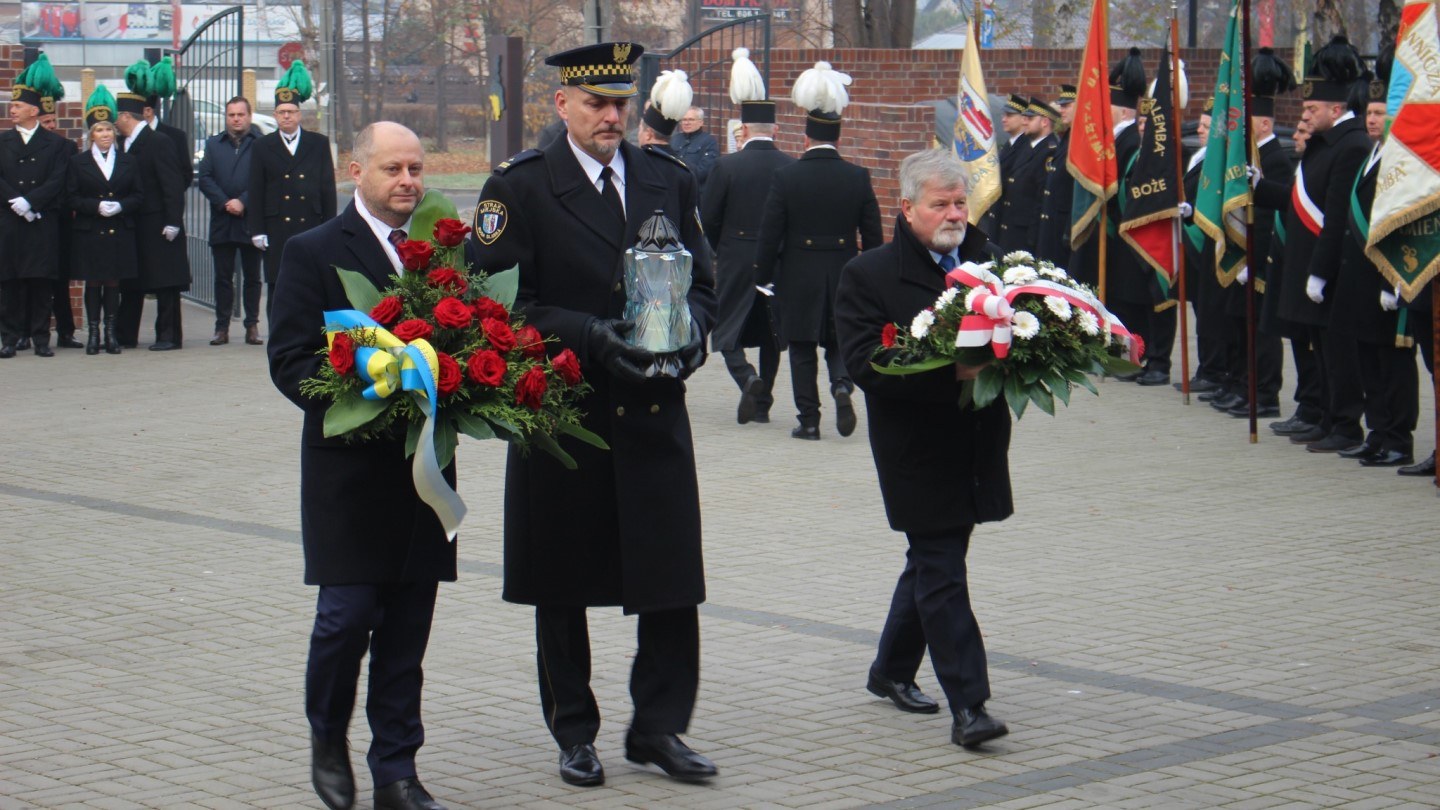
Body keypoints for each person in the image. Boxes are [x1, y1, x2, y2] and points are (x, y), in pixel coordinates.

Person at [468, 41, 719, 789]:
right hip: (565, 412)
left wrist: (695, 336)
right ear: (563, 106)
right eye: (598, 103)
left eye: (622, 102)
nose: (613, 116)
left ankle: (659, 728)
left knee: (671, 578)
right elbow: (498, 305)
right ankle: (574, 731)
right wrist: (587, 336)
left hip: (651, 405)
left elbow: (703, 279)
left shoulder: (665, 177)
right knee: (562, 581)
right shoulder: (516, 188)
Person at [268, 122, 452, 810]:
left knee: (407, 631)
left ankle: (397, 773)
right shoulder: (312, 250)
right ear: (356, 171)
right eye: (392, 169)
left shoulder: (439, 255)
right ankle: (327, 733)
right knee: (346, 619)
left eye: (416, 167)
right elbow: (289, 360)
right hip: (347, 476)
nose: (407, 181)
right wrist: (371, 380)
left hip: (421, 477)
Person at [834, 148, 1011, 750]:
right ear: (908, 209)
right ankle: (971, 705)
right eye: (940, 204)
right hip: (916, 446)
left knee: (934, 557)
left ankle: (889, 670)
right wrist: (951, 374)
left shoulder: (991, 261)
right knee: (941, 567)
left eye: (960, 202)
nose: (954, 214)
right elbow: (866, 363)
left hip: (978, 438)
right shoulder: (869, 274)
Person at [754, 61, 883, 440]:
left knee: (802, 346)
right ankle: (842, 386)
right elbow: (873, 235)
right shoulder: (858, 177)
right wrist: (872, 276)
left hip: (798, 274)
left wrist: (761, 276)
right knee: (838, 339)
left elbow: (769, 232)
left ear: (806, 138)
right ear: (837, 137)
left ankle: (809, 420)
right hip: (844, 269)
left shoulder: (786, 176)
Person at [1271, 36, 1371, 452]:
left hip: (1333, 271)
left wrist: (1318, 271)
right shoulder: (1325, 144)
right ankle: (1327, 417)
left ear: (1335, 108)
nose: (1305, 115)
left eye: (1312, 109)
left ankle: (1345, 424)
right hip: (1308, 263)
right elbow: (1301, 205)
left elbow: (1335, 219)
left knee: (1339, 354)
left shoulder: (1349, 146)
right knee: (1320, 352)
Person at [701, 47, 791, 424]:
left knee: (726, 326)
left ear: (744, 131)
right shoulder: (791, 167)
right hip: (779, 256)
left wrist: (725, 243)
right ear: (775, 130)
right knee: (772, 330)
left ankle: (747, 378)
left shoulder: (726, 165)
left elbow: (708, 217)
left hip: (736, 252)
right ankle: (764, 399)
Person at [249, 59, 338, 320]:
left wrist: (330, 227)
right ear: (275, 115)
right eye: (281, 112)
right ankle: (277, 329)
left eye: (291, 111)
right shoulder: (262, 146)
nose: (286, 116)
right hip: (277, 226)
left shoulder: (317, 144)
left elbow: (327, 189)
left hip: (310, 221)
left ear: (300, 114)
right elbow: (255, 190)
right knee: (277, 282)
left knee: (312, 280)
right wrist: (257, 230)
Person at [113, 61, 189, 351]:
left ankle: (168, 336)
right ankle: (125, 334)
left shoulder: (158, 141)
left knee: (165, 282)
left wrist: (173, 220)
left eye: (117, 116)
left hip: (158, 222)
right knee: (133, 282)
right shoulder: (125, 143)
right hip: (135, 223)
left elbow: (172, 183)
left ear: (126, 116)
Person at [0, 55, 73, 358]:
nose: (11, 110)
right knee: (10, 282)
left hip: (41, 220)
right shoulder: (2, 141)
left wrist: (32, 202)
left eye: (17, 106)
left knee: (42, 282)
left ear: (33, 110)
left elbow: (58, 180)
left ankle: (41, 337)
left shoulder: (55, 144)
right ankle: (10, 337)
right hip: (10, 221)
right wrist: (14, 201)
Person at [67, 86, 143, 356]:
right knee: (94, 282)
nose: (105, 135)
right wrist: (96, 206)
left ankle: (111, 333)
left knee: (113, 283)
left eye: (109, 129)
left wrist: (120, 206)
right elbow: (72, 197)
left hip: (118, 228)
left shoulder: (128, 161)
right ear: (91, 135)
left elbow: (138, 195)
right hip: (90, 230)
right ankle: (94, 333)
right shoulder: (78, 163)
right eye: (99, 130)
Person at [197, 96, 263, 345]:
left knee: (253, 277)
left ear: (249, 116)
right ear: (226, 117)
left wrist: (243, 201)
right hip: (223, 220)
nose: (236, 119)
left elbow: (263, 179)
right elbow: (204, 177)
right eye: (231, 115)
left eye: (240, 114)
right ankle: (221, 327)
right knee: (223, 278)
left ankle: (252, 326)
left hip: (250, 220)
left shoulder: (260, 144)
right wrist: (225, 202)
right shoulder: (214, 144)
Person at [38, 66, 84, 350]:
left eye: (53, 120)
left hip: (61, 223)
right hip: (34, 221)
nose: (52, 126)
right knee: (33, 282)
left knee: (61, 281)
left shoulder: (67, 148)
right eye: (46, 121)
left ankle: (65, 331)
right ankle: (28, 331)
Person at [996, 97, 1058, 254]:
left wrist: (1033, 236)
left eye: (1030, 118)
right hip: (1012, 228)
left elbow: (1040, 197)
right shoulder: (1028, 148)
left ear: (1044, 122)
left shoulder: (1049, 151)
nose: (1025, 122)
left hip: (1026, 233)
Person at [1035, 84, 1076, 269]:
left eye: (1067, 105)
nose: (1062, 110)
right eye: (1062, 105)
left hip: (1063, 230)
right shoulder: (1068, 139)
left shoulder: (1079, 141)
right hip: (1052, 228)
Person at [669, 105, 718, 191]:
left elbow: (704, 172)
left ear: (701, 122)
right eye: (684, 119)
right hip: (674, 190)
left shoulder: (709, 141)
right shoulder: (674, 139)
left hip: (695, 193)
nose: (686, 123)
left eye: (691, 119)